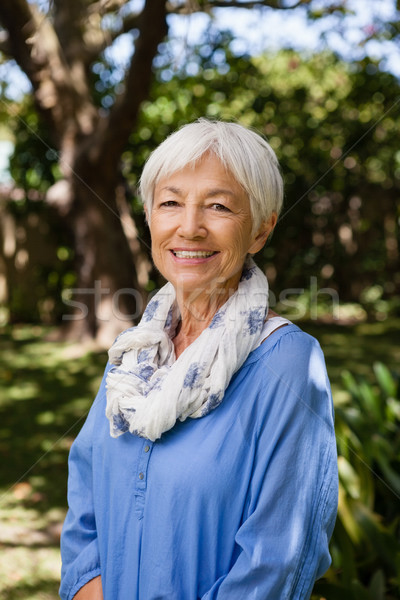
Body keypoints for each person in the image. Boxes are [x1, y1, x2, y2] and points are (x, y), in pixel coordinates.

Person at [59, 118, 338, 600]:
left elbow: (278, 564)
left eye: (218, 205)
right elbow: (86, 491)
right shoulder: (133, 355)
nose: (189, 226)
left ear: (261, 229)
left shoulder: (289, 362)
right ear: (150, 219)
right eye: (170, 203)